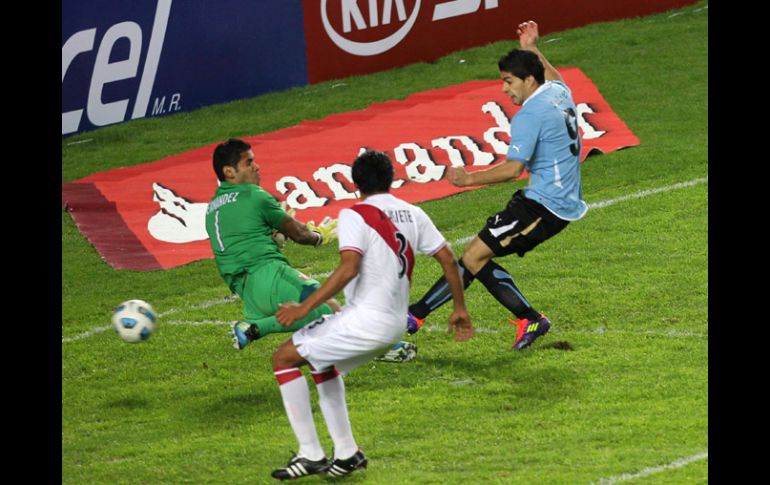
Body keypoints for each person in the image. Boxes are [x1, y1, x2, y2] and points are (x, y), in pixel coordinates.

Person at [268, 150, 473, 480]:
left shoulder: (354, 214)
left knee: (284, 358)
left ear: (355, 183)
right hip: (394, 326)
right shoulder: (413, 212)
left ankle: (311, 454)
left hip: (366, 320)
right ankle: (347, 454)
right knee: (324, 365)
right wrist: (459, 307)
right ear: (391, 178)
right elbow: (449, 260)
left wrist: (304, 308)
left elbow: (350, 267)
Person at [406, 20, 588, 351]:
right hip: (552, 200)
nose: (504, 89)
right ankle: (415, 315)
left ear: (529, 80)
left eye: (508, 81)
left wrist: (466, 179)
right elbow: (553, 76)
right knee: (476, 252)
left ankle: (530, 318)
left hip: (545, 206)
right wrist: (531, 48)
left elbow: (512, 169)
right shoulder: (558, 91)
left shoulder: (529, 115)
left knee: (474, 257)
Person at [203, 138, 414, 362]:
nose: (257, 167)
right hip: (269, 274)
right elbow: (300, 234)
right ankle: (255, 328)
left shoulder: (212, 208)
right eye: (249, 162)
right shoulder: (254, 196)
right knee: (328, 309)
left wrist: (273, 237)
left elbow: (240, 243)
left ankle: (374, 348)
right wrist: (319, 237)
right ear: (229, 172)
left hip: (246, 289)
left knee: (323, 313)